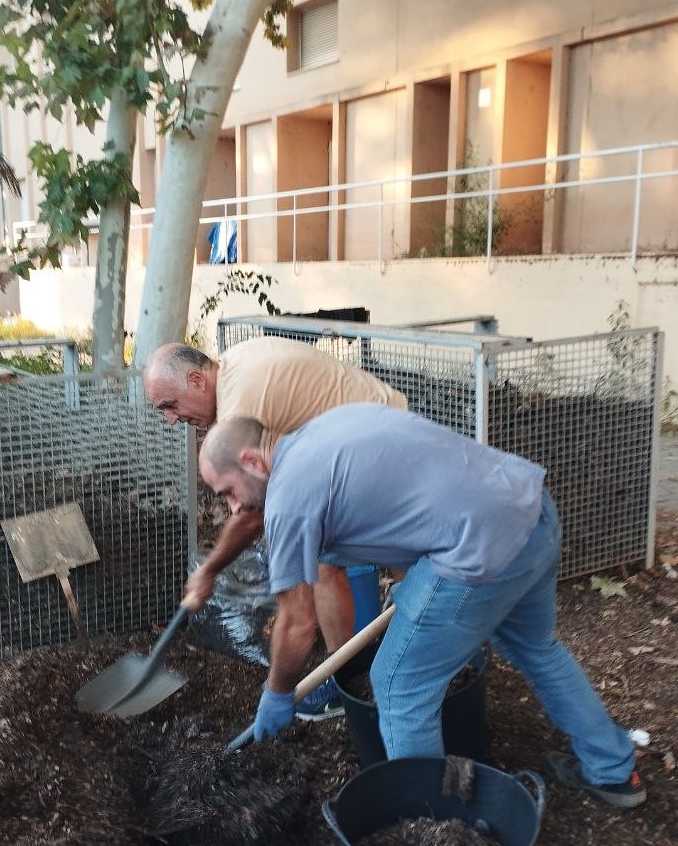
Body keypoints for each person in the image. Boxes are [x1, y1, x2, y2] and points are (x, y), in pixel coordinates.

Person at [198, 405, 646, 809]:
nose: (234, 508)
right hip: (530, 510)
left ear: (252, 461)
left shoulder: (288, 498)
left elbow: (297, 624)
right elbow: (405, 504)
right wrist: (411, 590)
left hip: (479, 552)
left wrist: (277, 693)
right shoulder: (326, 428)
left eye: (228, 492)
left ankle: (430, 830)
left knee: (398, 686)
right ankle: (613, 769)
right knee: (537, 648)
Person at [143, 338, 407, 708]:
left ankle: (397, 668)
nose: (172, 419)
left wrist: (209, 570)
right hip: (361, 437)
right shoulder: (232, 368)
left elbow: (252, 510)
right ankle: (348, 676)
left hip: (378, 444)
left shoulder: (241, 404)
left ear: (196, 380)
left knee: (377, 564)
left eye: (170, 405)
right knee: (327, 560)